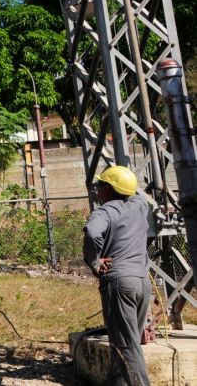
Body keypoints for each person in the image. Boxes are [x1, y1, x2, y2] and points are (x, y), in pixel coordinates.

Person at [83, 165, 152, 386]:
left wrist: (95, 261)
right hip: (142, 282)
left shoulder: (105, 212)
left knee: (126, 346)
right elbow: (136, 193)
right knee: (124, 342)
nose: (97, 189)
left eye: (100, 185)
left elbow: (92, 232)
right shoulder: (140, 205)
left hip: (119, 283)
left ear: (111, 189)